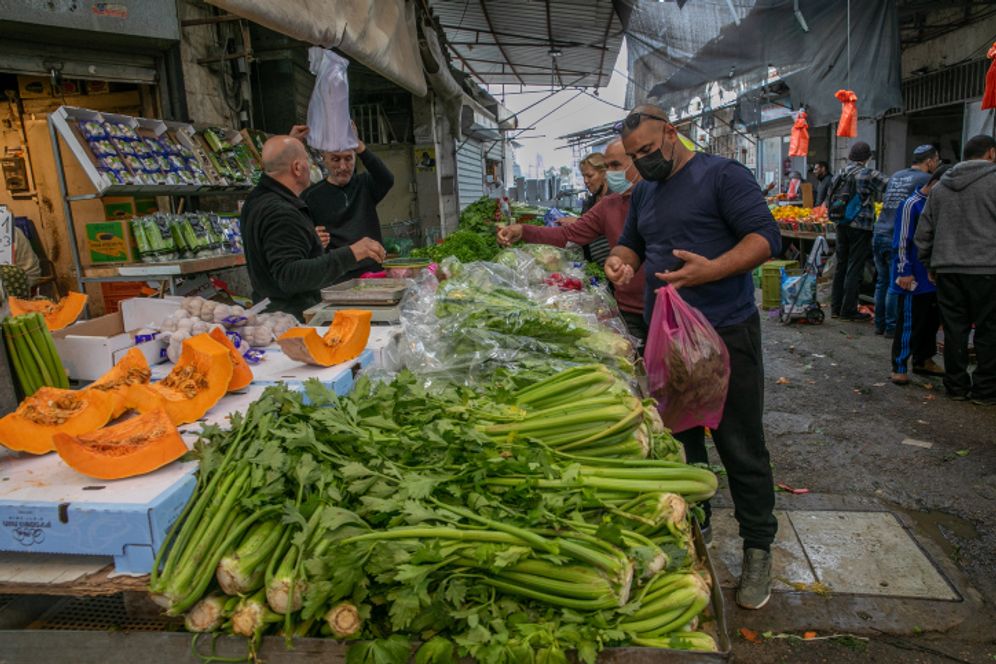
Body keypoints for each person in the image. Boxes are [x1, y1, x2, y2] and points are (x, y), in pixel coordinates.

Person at [606, 105, 781, 610]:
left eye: (648, 150)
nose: (643, 162)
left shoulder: (723, 176)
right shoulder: (644, 191)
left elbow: (764, 238)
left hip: (725, 333)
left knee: (741, 443)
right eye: (634, 156)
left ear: (672, 132)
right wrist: (622, 262)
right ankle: (694, 528)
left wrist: (713, 270)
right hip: (669, 337)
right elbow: (633, 244)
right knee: (680, 442)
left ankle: (757, 547)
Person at [496, 139, 648, 345]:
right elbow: (568, 234)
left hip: (665, 305)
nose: (610, 173)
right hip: (628, 308)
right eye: (607, 166)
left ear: (636, 162)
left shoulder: (659, 198)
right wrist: (523, 230)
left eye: (615, 166)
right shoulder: (608, 205)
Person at [240, 135, 385, 320]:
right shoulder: (281, 212)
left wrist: (311, 242)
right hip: (289, 319)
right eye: (308, 161)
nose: (312, 167)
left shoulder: (255, 200)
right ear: (297, 168)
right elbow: (290, 276)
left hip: (272, 312)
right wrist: (352, 253)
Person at [915, 134, 996, 406]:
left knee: (954, 329)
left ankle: (956, 386)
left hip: (947, 269)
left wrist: (929, 263)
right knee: (988, 329)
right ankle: (985, 391)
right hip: (988, 269)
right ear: (991, 153)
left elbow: (923, 232)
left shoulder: (939, 188)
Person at [300, 123, 395, 283]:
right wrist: (313, 239)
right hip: (336, 276)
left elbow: (387, 178)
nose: (343, 167)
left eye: (348, 159)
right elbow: (303, 239)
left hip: (372, 272)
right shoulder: (310, 196)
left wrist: (359, 145)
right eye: (335, 159)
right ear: (325, 159)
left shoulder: (365, 184)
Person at [889, 165, 950, 385]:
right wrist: (904, 271)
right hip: (913, 276)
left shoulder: (938, 203)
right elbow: (902, 241)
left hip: (933, 276)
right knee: (909, 322)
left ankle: (924, 359)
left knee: (930, 322)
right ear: (935, 183)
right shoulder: (911, 205)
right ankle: (899, 365)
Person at [873, 145, 940, 338]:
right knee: (896, 285)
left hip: (879, 231)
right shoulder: (926, 180)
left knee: (882, 281)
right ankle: (892, 327)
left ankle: (880, 324)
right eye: (936, 160)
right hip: (897, 234)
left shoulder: (896, 176)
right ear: (929, 161)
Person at [829, 141, 889, 322]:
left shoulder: (840, 173)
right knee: (855, 267)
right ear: (867, 158)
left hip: (841, 223)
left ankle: (835, 307)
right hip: (861, 225)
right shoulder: (868, 173)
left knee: (841, 265)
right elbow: (891, 186)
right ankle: (849, 309)